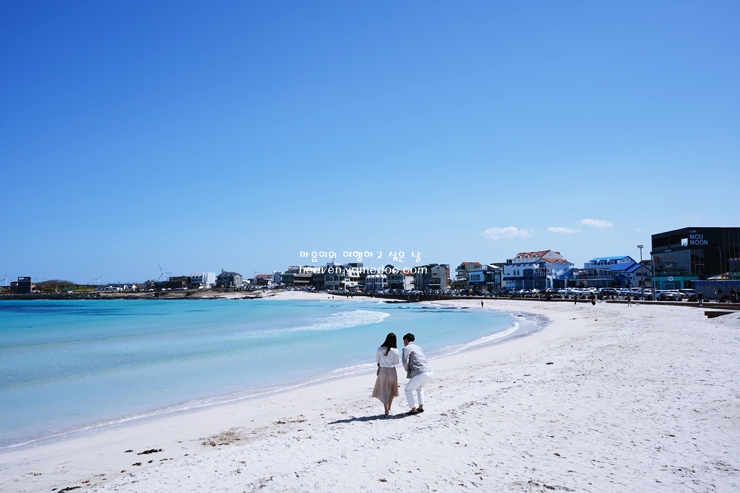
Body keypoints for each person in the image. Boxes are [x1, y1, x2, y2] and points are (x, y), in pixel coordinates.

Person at [401, 333, 433, 415]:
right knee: (419, 388)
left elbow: (404, 362)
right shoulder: (419, 347)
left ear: (406, 340)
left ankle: (413, 409)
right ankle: (420, 407)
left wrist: (407, 370)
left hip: (421, 372)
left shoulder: (406, 348)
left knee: (407, 390)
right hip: (429, 371)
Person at [372, 333, 400, 416]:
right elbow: (397, 362)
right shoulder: (395, 350)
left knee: (384, 390)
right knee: (391, 390)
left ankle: (385, 410)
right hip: (392, 370)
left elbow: (377, 360)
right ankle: (389, 409)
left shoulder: (379, 349)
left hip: (383, 370)